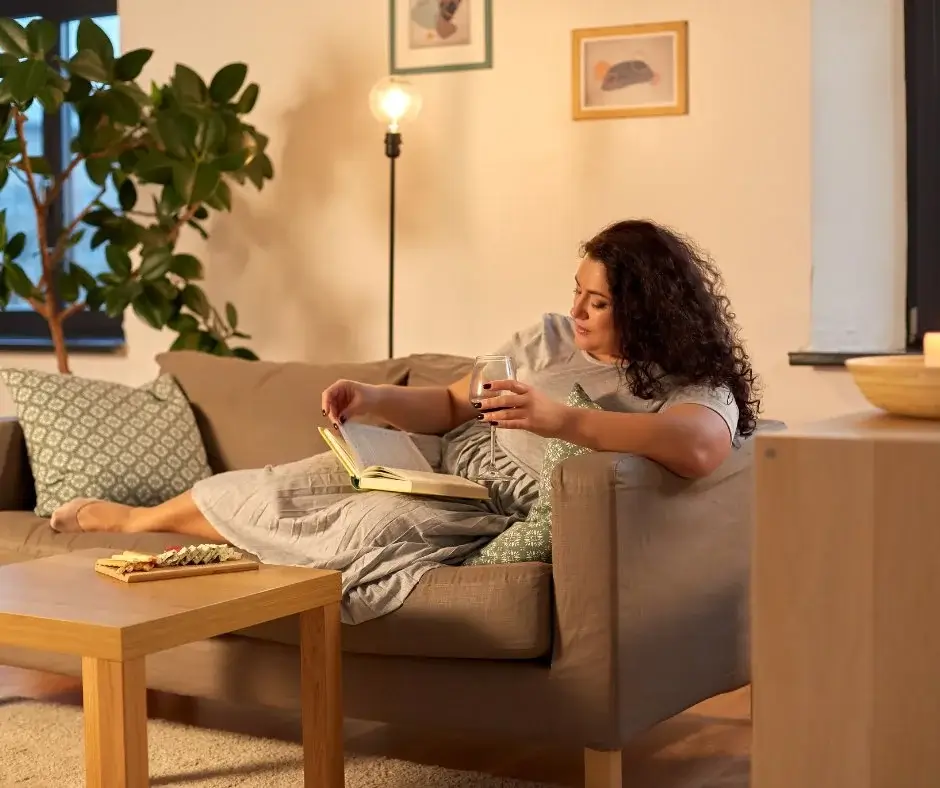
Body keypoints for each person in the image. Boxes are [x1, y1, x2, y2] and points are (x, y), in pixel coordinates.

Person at [49, 219, 761, 623]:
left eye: (597, 303)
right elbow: (453, 403)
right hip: (438, 454)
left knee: (370, 528)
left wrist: (562, 421)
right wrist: (375, 399)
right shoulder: (548, 339)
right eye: (576, 293)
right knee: (276, 487)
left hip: (490, 502)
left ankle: (179, 546)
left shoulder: (689, 384)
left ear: (648, 307)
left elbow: (698, 449)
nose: (576, 312)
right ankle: (134, 523)